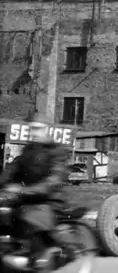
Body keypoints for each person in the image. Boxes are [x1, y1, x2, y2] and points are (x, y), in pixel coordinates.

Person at [0, 112, 70, 271]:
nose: (34, 132)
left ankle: (39, 258)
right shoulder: (28, 150)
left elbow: (53, 181)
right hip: (27, 198)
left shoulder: (57, 151)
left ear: (47, 129)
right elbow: (12, 170)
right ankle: (13, 249)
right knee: (4, 213)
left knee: (28, 216)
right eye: (31, 128)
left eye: (37, 128)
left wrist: (24, 190)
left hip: (50, 201)